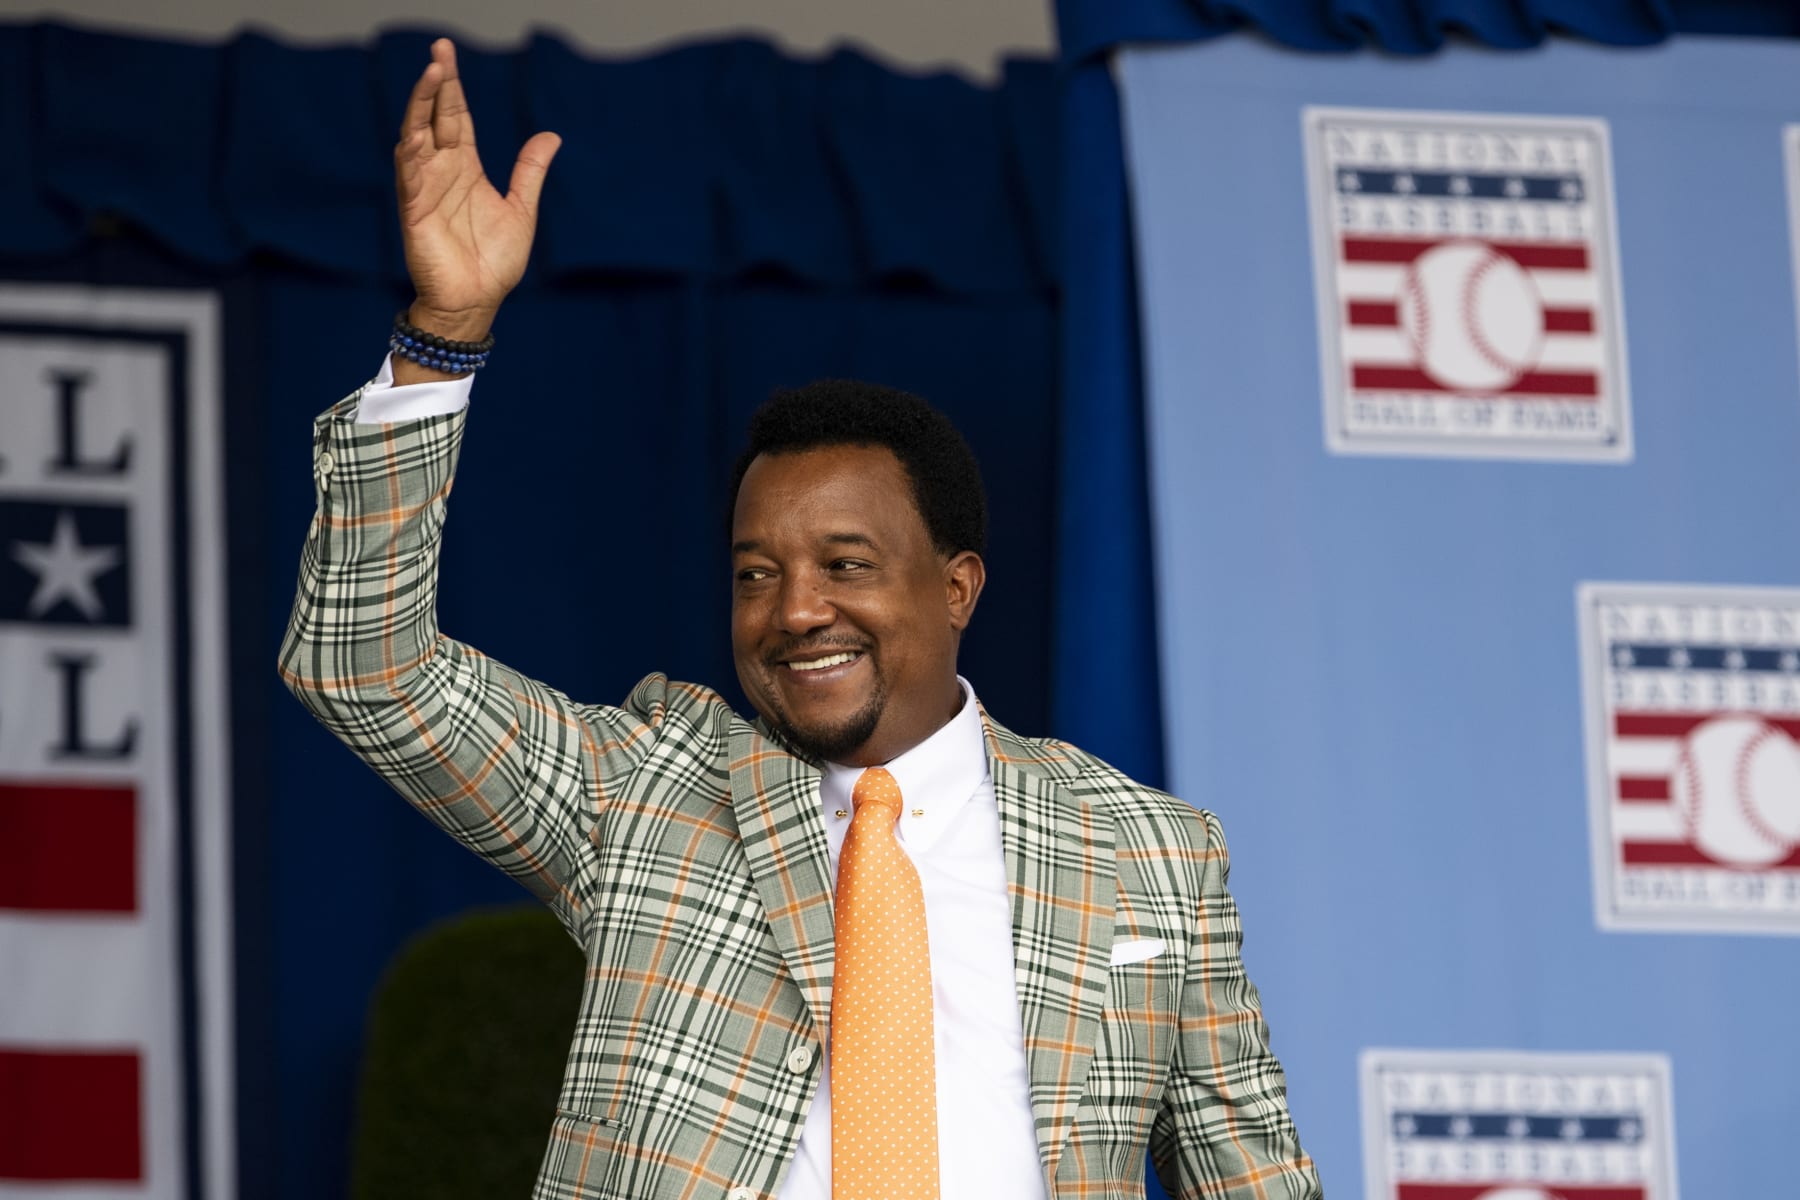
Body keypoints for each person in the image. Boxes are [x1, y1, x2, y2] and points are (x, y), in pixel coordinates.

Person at [280, 38, 1320, 1200]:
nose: (796, 610)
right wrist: (440, 340)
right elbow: (365, 667)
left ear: (958, 585)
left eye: (846, 563)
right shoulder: (645, 791)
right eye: (754, 574)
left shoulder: (1154, 858)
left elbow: (1255, 1180)